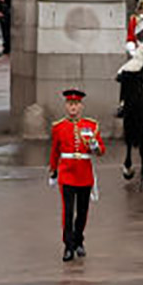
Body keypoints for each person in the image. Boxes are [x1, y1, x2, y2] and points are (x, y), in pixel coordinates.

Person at [47, 88, 104, 262]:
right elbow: (55, 151)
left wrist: (95, 146)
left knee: (82, 211)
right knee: (68, 211)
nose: (73, 108)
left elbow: (101, 150)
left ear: (81, 106)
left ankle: (79, 240)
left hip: (84, 173)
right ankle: (68, 245)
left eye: (76, 104)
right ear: (66, 106)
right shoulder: (59, 127)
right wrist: (53, 170)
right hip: (67, 173)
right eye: (70, 104)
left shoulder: (91, 125)